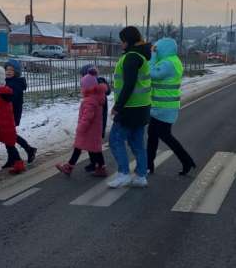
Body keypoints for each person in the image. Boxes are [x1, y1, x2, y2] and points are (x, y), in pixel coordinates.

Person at [107, 26, 152, 189]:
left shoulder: (131, 57)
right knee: (137, 143)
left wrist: (118, 107)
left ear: (128, 41)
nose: (121, 44)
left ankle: (123, 173)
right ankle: (141, 176)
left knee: (115, 140)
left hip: (130, 108)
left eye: (122, 41)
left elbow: (129, 84)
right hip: (142, 107)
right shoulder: (142, 55)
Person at [147, 37, 196, 175]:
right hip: (161, 106)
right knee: (153, 135)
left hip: (164, 107)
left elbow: (153, 74)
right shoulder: (171, 60)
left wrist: (152, 56)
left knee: (164, 135)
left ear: (163, 49)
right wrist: (155, 56)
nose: (155, 51)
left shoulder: (168, 63)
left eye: (157, 49)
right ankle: (149, 164)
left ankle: (186, 160)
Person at [56, 71, 108, 177]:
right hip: (93, 129)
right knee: (93, 148)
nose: (81, 88)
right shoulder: (96, 97)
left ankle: (69, 167)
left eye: (82, 86)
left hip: (88, 130)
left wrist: (81, 128)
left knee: (83, 147)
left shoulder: (90, 100)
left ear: (88, 87)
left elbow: (87, 117)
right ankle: (100, 167)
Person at [4, 59, 37, 164]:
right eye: (7, 69)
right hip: (6, 113)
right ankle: (14, 157)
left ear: (16, 72)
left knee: (8, 135)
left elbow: (11, 98)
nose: (8, 71)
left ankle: (28, 150)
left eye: (11, 70)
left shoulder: (16, 83)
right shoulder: (7, 81)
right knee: (8, 136)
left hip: (12, 114)